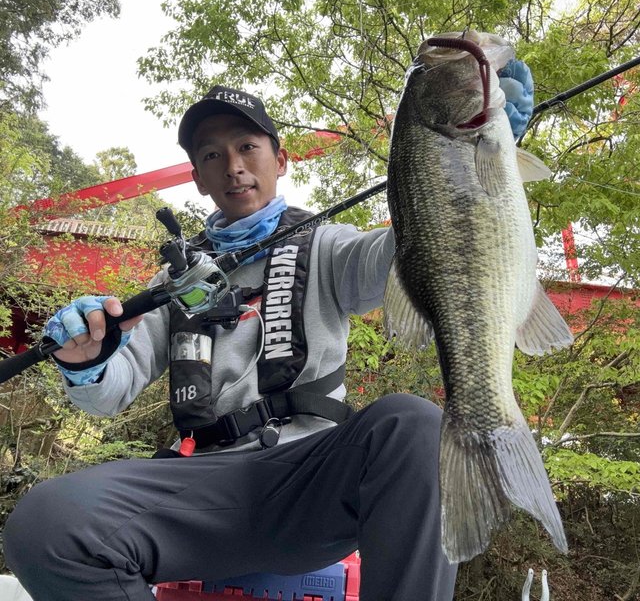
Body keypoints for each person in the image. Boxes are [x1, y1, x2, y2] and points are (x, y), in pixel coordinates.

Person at [3, 62, 533, 601]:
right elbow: (110, 393)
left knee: (413, 426)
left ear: (279, 161)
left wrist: (470, 164)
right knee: (46, 523)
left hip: (309, 482)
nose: (234, 167)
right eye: (213, 155)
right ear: (198, 178)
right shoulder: (171, 283)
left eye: (248, 147)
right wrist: (85, 360)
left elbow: (406, 251)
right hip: (197, 488)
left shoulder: (327, 244)